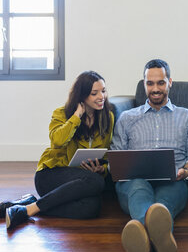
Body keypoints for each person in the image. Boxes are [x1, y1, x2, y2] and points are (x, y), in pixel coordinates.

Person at [111, 59, 188, 252]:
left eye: (161, 83)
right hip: (134, 182)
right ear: (144, 84)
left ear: (170, 82)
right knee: (139, 188)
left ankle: (143, 242)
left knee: (163, 204)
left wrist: (185, 171)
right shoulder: (127, 118)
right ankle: (155, 242)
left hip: (173, 180)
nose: (156, 88)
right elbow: (116, 157)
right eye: (150, 83)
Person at [3, 71, 114, 230]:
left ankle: (29, 205)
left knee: (92, 207)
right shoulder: (62, 114)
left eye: (103, 91)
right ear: (82, 96)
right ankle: (28, 209)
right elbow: (58, 140)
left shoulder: (108, 117)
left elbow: (107, 152)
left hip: (81, 180)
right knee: (95, 182)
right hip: (50, 175)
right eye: (94, 93)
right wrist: (76, 116)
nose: (101, 96)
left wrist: (101, 168)